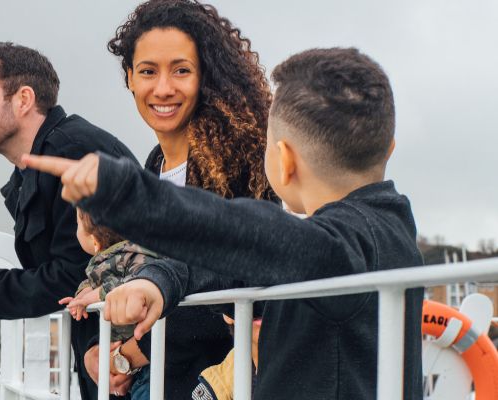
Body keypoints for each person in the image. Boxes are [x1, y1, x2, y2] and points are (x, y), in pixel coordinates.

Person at [25, 47, 424, 400]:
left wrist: (123, 191)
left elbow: (250, 236)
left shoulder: (341, 245)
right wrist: (159, 282)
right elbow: (232, 266)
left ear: (283, 161)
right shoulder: (389, 235)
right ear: (388, 146)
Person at [79, 0, 280, 397]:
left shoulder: (243, 161)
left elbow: (241, 280)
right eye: (148, 71)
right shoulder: (151, 166)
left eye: (181, 70)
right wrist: (99, 348)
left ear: (205, 76)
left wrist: (136, 352)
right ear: (130, 78)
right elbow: (126, 268)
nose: (163, 88)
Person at [0, 41, 137, 398]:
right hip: (111, 366)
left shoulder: (73, 154)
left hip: (138, 369)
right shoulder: (42, 164)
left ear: (23, 100)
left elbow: (74, 276)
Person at [60, 209, 166, 398]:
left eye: (77, 225)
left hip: (148, 355)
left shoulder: (132, 256)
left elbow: (131, 285)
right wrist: (81, 296)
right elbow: (90, 282)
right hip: (136, 349)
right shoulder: (116, 257)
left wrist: (91, 297)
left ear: (94, 241)